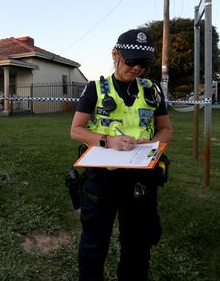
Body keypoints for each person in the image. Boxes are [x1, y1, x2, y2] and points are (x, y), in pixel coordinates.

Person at [70, 29, 173, 281]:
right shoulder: (95, 89)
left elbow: (166, 130)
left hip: (140, 179)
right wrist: (109, 141)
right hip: (102, 178)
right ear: (115, 54)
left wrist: (148, 144)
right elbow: (76, 130)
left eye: (143, 64)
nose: (136, 68)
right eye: (130, 61)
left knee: (137, 245)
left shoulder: (152, 91)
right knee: (94, 244)